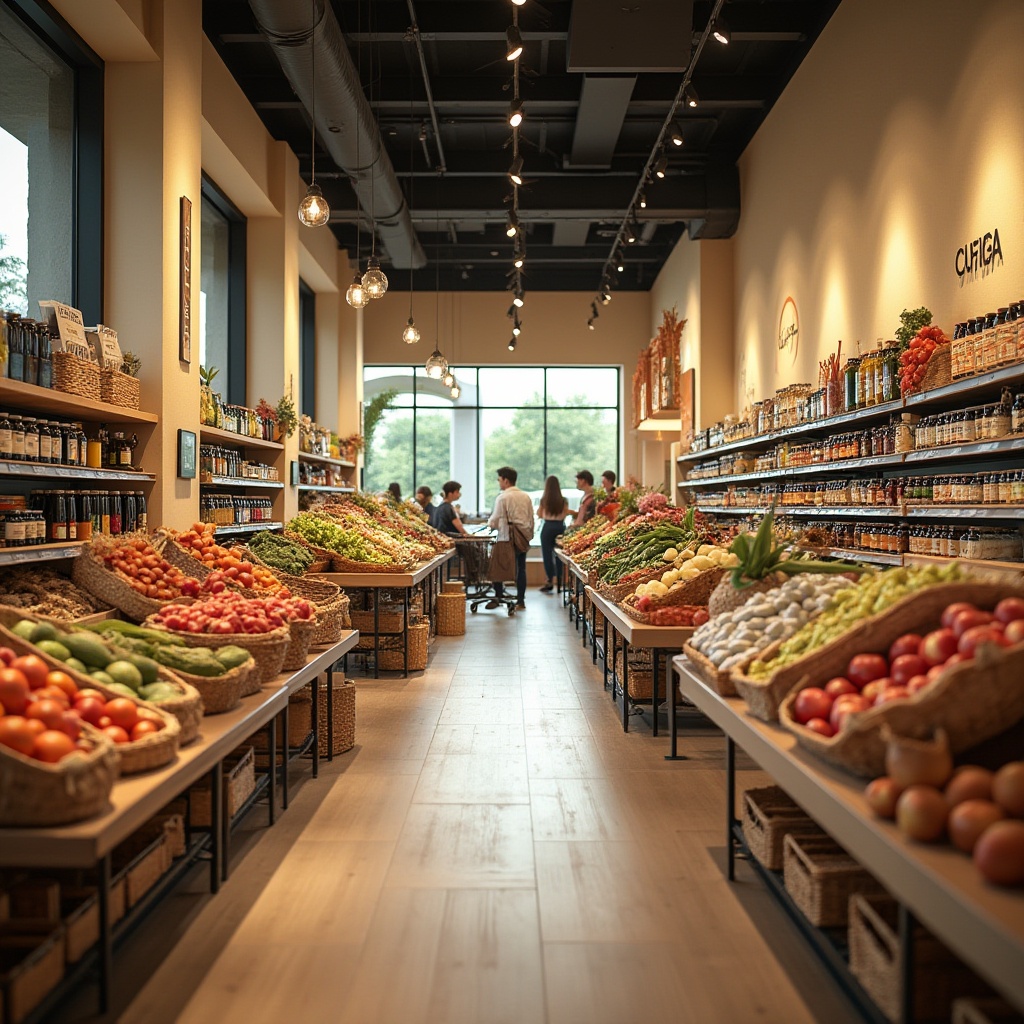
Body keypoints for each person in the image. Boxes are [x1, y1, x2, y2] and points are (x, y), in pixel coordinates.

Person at [486, 465, 535, 610]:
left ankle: (499, 596)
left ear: (506, 480)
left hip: (506, 537)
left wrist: (489, 525)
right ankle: (520, 600)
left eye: (499, 480)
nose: (499, 483)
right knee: (521, 568)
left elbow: (495, 520)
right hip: (522, 537)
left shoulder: (502, 497)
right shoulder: (525, 496)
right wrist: (528, 535)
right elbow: (531, 518)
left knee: (498, 566)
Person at [537, 475, 569, 593]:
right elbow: (565, 513)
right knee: (560, 555)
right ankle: (561, 581)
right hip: (560, 527)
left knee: (547, 554)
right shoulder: (563, 500)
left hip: (548, 527)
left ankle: (549, 581)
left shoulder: (544, 500)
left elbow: (540, 514)